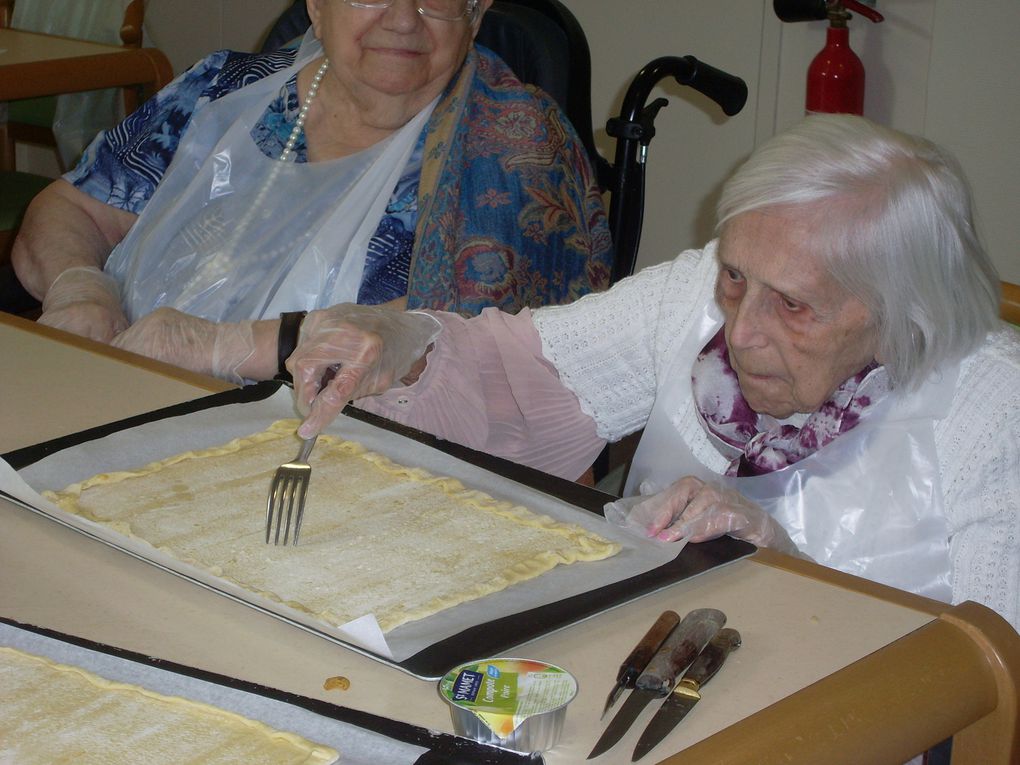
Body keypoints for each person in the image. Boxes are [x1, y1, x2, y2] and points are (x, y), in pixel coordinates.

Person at [96, 115, 1019, 630]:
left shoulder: (991, 401)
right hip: (649, 671)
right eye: (736, 277)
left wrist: (788, 570)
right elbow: (521, 374)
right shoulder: (692, 297)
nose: (738, 328)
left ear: (902, 309)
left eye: (795, 305)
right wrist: (399, 335)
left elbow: (992, 668)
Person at [10, 0, 611, 363]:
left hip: (344, 456)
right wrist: (80, 288)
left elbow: (471, 332)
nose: (403, 20)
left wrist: (226, 349)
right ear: (317, 6)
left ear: (476, 16)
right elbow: (71, 209)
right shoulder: (221, 90)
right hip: (128, 385)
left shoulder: (514, 143)